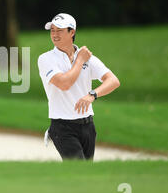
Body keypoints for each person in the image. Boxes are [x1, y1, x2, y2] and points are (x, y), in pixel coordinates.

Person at [38, 13, 120, 161]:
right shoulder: (46, 59)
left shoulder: (87, 58)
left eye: (60, 30)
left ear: (72, 32)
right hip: (62, 127)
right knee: (79, 167)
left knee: (85, 175)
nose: (54, 34)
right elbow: (64, 83)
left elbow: (113, 80)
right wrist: (80, 59)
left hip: (88, 126)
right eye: (52, 30)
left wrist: (92, 94)